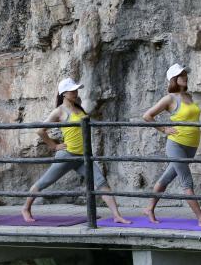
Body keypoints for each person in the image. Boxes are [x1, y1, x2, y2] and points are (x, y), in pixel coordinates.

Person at [22, 78, 130, 224]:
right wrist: (54, 146)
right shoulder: (59, 111)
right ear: (64, 93)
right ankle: (26, 208)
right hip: (67, 155)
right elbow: (41, 131)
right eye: (72, 90)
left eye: (76, 89)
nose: (75, 92)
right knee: (45, 182)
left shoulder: (78, 107)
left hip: (83, 157)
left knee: (101, 182)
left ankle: (116, 215)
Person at [142, 64, 201, 227]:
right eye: (181, 75)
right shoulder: (169, 98)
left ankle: (149, 208)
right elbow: (147, 116)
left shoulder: (188, 96)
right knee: (186, 181)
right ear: (174, 79)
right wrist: (163, 129)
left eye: (185, 74)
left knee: (167, 177)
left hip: (191, 145)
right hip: (176, 144)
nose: (185, 77)